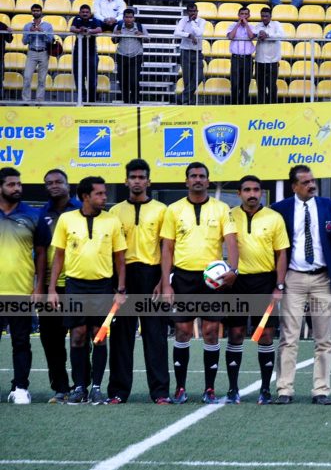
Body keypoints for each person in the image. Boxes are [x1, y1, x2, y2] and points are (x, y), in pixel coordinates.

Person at [159, 163, 238, 404]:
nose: (197, 180)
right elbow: (167, 248)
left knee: (211, 332)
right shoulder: (173, 210)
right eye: (193, 176)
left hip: (211, 280)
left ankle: (209, 389)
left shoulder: (222, 208)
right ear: (186, 181)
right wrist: (166, 283)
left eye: (202, 176)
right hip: (183, 278)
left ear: (208, 180)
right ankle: (180, 388)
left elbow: (232, 242)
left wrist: (233, 269)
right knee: (182, 331)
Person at [48, 177, 127, 405]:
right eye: (100, 194)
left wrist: (121, 288)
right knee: (78, 336)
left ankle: (97, 388)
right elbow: (59, 256)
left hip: (102, 286)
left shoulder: (111, 221)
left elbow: (120, 258)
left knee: (99, 337)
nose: (104, 197)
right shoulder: (66, 219)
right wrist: (52, 288)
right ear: (85, 196)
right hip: (75, 286)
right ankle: (80, 387)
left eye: (104, 193)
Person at [271, 165, 331, 405]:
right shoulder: (279, 210)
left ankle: (321, 390)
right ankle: (284, 390)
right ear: (294, 186)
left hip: (324, 278)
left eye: (313, 181)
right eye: (305, 182)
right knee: (288, 337)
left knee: (324, 338)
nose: (312, 185)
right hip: (293, 278)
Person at [108, 159, 170, 404]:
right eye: (132, 177)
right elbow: (113, 250)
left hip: (152, 276)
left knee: (155, 336)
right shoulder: (114, 212)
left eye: (141, 177)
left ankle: (160, 392)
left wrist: (163, 280)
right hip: (123, 278)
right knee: (121, 337)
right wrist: (116, 282)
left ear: (148, 181)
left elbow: (167, 247)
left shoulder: (161, 210)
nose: (137, 181)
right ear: (126, 181)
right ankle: (118, 392)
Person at [224, 176, 289, 405]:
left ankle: (265, 390)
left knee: (267, 335)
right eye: (247, 190)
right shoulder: (230, 215)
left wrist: (279, 285)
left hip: (265, 282)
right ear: (239, 193)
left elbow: (281, 254)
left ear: (261, 192)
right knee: (236, 334)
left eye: (256, 190)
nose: (252, 194)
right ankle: (233, 389)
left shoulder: (274, 218)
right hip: (238, 282)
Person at [0, 167, 50, 404]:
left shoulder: (33, 215)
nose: (17, 188)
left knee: (21, 341)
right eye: (11, 184)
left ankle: (20, 388)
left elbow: (41, 254)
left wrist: (39, 286)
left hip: (20, 292)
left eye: (19, 184)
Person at [39, 169, 80, 403]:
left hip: (77, 284)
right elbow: (42, 253)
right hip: (50, 287)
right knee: (51, 339)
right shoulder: (40, 215)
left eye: (58, 182)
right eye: (49, 183)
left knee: (79, 337)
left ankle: (80, 385)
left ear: (68, 184)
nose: (54, 186)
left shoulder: (79, 210)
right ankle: (60, 388)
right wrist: (43, 285)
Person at [69, 4, 102, 104]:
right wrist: (80, 30)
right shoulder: (76, 19)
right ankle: (82, 99)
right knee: (78, 78)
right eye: (83, 12)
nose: (85, 14)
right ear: (79, 13)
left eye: (87, 12)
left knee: (92, 79)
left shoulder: (94, 20)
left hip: (91, 53)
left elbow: (99, 30)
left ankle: (91, 101)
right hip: (78, 53)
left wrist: (89, 31)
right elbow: (72, 28)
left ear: (90, 13)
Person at [174, 3, 206, 105]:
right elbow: (176, 32)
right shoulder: (183, 20)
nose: (193, 13)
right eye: (191, 11)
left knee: (199, 77)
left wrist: (192, 22)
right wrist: (188, 35)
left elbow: (199, 33)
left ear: (197, 11)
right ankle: (190, 103)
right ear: (188, 12)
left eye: (195, 11)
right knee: (187, 79)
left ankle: (181, 98)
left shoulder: (202, 21)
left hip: (197, 52)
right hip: (185, 51)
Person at [112, 9, 144, 104]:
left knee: (134, 81)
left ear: (134, 18)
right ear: (123, 18)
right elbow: (113, 41)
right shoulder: (118, 27)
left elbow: (148, 39)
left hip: (136, 56)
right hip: (122, 56)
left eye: (130, 17)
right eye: (126, 17)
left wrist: (141, 35)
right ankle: (126, 101)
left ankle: (135, 102)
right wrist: (115, 36)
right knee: (123, 81)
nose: (128, 19)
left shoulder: (140, 27)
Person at [22, 4, 52, 103]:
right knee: (27, 77)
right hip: (31, 52)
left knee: (42, 79)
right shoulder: (27, 26)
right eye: (34, 10)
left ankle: (39, 101)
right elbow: (24, 42)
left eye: (37, 10)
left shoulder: (48, 25)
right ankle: (26, 100)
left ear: (41, 11)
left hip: (44, 52)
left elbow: (51, 40)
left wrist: (42, 32)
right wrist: (29, 33)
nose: (36, 12)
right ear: (31, 12)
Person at [253, 7, 284, 104]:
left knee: (272, 86)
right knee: (260, 86)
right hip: (259, 61)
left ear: (271, 16)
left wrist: (267, 35)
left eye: (266, 16)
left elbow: (281, 35)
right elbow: (254, 34)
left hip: (273, 61)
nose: (264, 18)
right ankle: (262, 107)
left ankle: (273, 106)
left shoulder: (277, 24)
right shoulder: (258, 26)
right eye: (262, 16)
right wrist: (260, 34)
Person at [227, 5, 255, 105]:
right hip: (236, 58)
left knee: (245, 84)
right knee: (235, 84)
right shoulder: (232, 26)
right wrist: (238, 24)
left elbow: (251, 36)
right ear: (238, 15)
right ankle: (234, 105)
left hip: (247, 59)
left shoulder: (252, 26)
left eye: (246, 14)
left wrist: (246, 24)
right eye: (242, 14)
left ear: (249, 16)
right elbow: (230, 36)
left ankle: (243, 106)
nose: (243, 16)